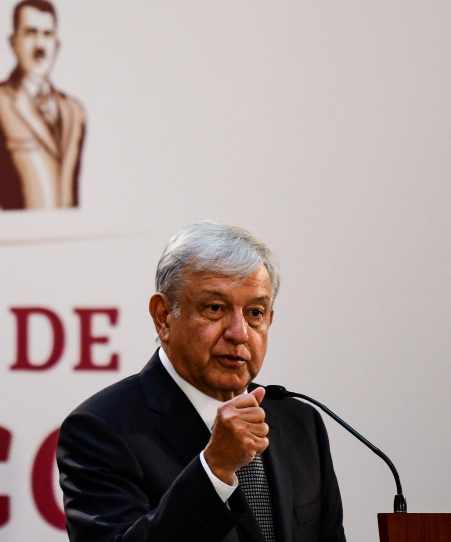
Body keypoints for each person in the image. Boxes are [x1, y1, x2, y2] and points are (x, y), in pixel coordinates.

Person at [58, 221, 346, 542]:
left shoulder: (300, 422)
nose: (239, 333)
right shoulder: (101, 429)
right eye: (215, 308)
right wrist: (215, 470)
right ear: (163, 317)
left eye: (254, 313)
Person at [0, 0, 85, 209]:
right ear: (13, 42)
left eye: (47, 34)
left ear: (56, 44)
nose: (40, 45)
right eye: (30, 33)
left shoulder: (74, 112)